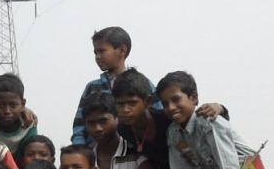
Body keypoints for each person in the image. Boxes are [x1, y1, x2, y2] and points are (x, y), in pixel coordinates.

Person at [70, 26, 224, 146]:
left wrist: (219, 108)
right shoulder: (92, 88)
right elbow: (79, 124)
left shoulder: (142, 85)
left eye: (102, 51)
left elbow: (165, 114)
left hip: (135, 154)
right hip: (98, 155)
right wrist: (80, 150)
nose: (97, 57)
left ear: (122, 50)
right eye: (95, 52)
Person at [155, 71, 255, 169]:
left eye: (176, 100)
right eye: (165, 103)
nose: (171, 107)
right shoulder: (173, 133)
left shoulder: (209, 121)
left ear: (193, 98)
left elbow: (227, 164)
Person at [82, 92, 155, 169]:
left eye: (103, 121)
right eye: (91, 123)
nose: (97, 128)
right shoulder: (86, 160)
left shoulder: (135, 149)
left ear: (117, 118)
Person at [0, 73, 37, 164]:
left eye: (13, 105)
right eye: (1, 105)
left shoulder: (28, 125)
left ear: (23, 104)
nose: (7, 111)